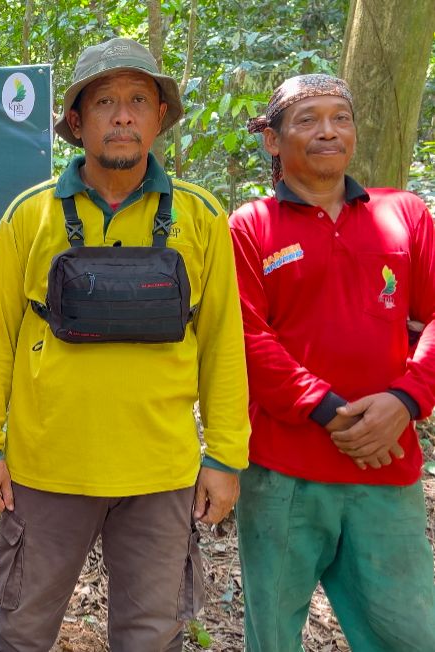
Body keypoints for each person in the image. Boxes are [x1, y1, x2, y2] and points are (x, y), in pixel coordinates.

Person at [0, 37, 250, 651]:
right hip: (47, 472)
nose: (122, 115)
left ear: (159, 118)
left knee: (151, 637)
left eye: (138, 100)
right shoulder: (30, 215)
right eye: (105, 102)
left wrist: (226, 456)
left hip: (161, 473)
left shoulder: (200, 217)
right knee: (17, 632)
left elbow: (224, 343)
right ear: (77, 119)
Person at [230, 73, 435, 651]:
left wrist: (405, 401)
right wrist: (325, 409)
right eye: (308, 119)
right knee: (273, 636)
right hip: (282, 472)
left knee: (411, 634)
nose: (328, 131)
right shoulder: (250, 226)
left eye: (340, 117)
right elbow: (246, 337)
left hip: (386, 470)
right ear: (272, 140)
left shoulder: (407, 215)